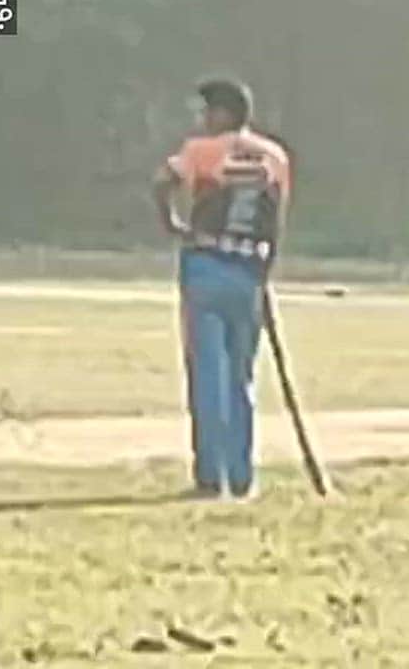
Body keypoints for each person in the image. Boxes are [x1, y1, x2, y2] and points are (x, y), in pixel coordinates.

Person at [152, 79, 292, 500]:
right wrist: (266, 268)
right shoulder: (275, 157)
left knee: (207, 374)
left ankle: (211, 474)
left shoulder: (202, 151)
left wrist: (171, 223)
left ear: (224, 113)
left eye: (208, 111)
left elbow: (163, 180)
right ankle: (242, 472)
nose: (203, 119)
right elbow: (277, 218)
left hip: (207, 263)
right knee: (240, 377)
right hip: (249, 268)